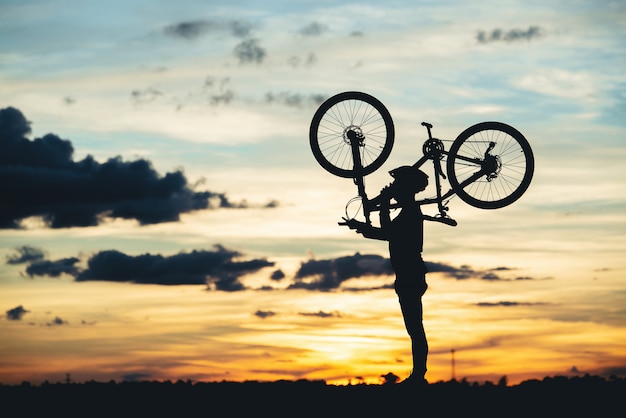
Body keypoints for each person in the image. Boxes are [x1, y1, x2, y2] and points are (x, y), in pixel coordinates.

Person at [343, 165, 432, 385]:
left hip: (410, 276)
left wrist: (383, 204)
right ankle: (418, 374)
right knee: (414, 328)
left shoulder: (411, 212)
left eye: (398, 187)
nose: (394, 190)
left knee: (415, 328)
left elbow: (389, 233)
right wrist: (361, 227)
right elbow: (388, 234)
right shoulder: (408, 211)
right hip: (407, 276)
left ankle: (419, 375)